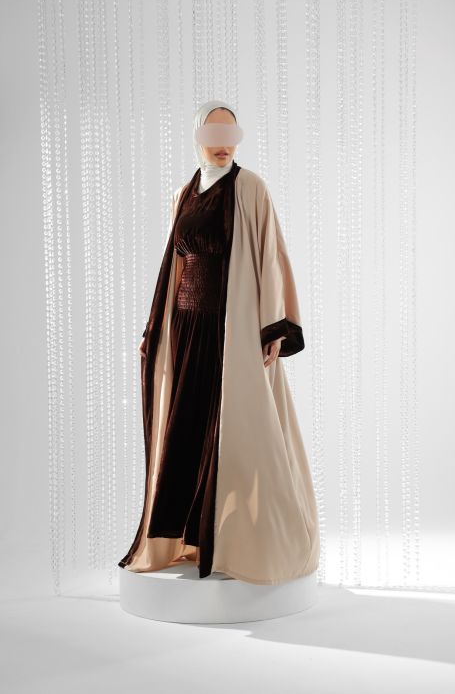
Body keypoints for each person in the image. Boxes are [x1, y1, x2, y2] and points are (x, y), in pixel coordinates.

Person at [118, 100, 320, 585]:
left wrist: (272, 327)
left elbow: (271, 255)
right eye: (213, 135)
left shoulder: (250, 188)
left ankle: (245, 544)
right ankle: (189, 538)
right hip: (187, 329)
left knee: (240, 437)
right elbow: (175, 266)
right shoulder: (183, 194)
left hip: (231, 329)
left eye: (230, 134)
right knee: (187, 432)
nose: (223, 144)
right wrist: (157, 331)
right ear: (198, 138)